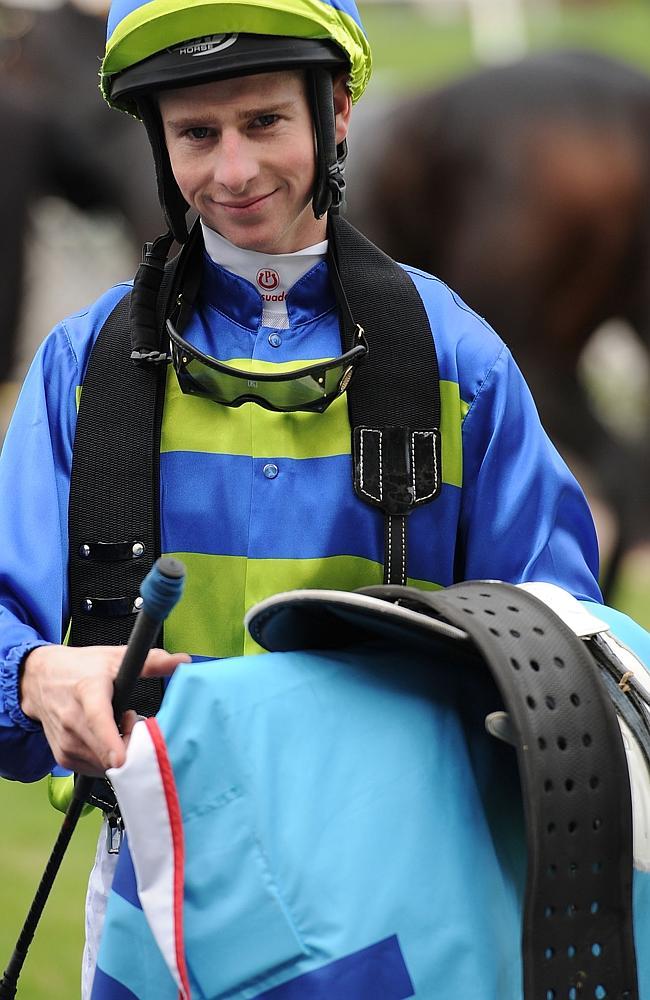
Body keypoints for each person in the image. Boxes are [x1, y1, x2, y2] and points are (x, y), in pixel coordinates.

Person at [0, 0, 609, 990]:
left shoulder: (458, 358)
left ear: (335, 113)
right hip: (151, 906)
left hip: (405, 904)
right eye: (197, 133)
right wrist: (32, 675)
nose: (232, 173)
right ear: (157, 141)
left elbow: (555, 645)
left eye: (263, 123)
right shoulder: (83, 368)